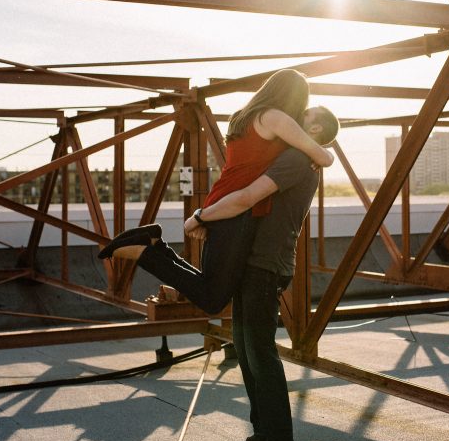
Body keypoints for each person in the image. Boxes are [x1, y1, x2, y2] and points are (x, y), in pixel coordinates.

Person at [184, 106, 340, 441]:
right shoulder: (296, 157)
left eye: (304, 114)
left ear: (314, 128)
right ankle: (264, 433)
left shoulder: (296, 159)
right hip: (255, 263)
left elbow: (248, 197)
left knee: (261, 355)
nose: (294, 115)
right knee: (248, 350)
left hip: (265, 266)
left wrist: (202, 216)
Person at [97, 69, 333, 315]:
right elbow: (322, 157)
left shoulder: (243, 117)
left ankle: (155, 246)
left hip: (223, 198)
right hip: (236, 209)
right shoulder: (277, 118)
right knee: (213, 298)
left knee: (210, 285)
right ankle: (146, 252)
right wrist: (200, 216)